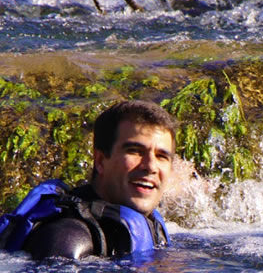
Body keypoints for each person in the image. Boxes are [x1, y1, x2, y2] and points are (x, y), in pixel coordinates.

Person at [0, 100, 177, 259]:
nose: (151, 166)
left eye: (162, 156)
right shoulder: (68, 238)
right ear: (100, 160)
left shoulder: (151, 224)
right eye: (134, 151)